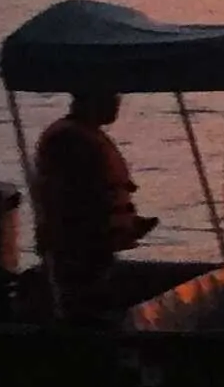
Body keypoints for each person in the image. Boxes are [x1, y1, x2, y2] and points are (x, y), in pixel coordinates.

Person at [31, 89, 156, 319]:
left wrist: (127, 224)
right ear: (92, 98)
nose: (118, 103)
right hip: (79, 255)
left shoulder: (85, 135)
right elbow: (72, 202)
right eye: (112, 96)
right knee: (85, 309)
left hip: (93, 250)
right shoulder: (68, 140)